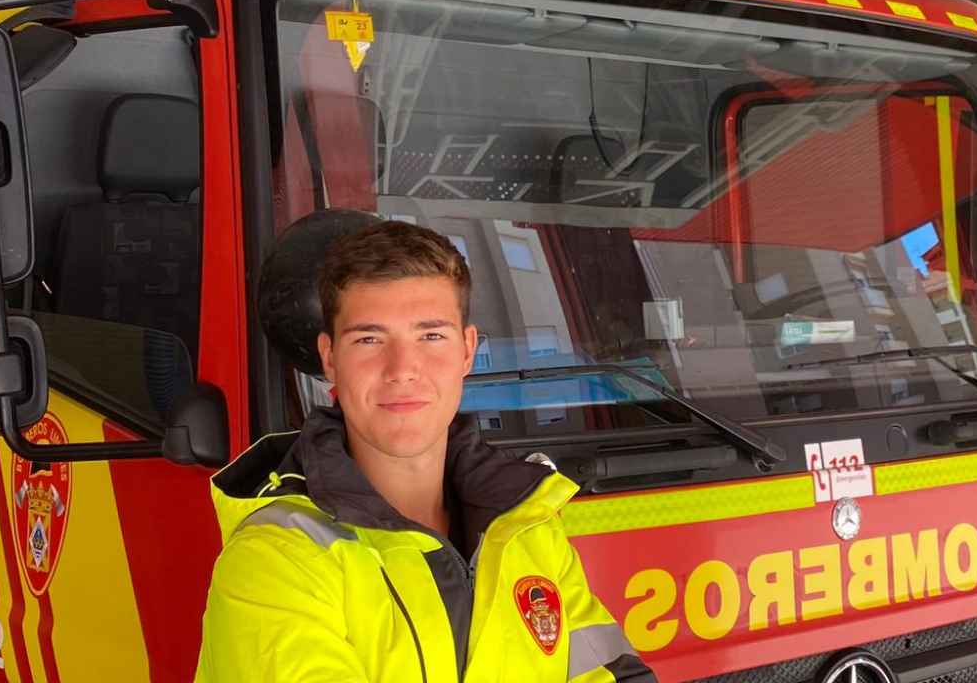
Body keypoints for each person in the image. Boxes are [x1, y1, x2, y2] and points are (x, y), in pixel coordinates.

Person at [195, 217, 655, 683]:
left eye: (430, 336)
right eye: (370, 339)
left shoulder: (529, 527)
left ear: (467, 351)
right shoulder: (274, 561)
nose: (403, 369)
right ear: (330, 358)